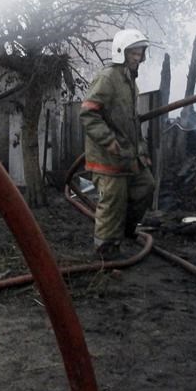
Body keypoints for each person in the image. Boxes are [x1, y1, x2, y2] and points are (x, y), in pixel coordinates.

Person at [80, 29, 156, 258]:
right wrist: (108, 141)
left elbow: (133, 123)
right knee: (113, 201)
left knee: (146, 185)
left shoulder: (130, 83)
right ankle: (105, 250)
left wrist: (141, 151)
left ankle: (123, 232)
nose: (138, 57)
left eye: (140, 52)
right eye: (134, 52)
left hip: (128, 154)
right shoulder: (108, 78)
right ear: (121, 53)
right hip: (108, 157)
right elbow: (88, 114)